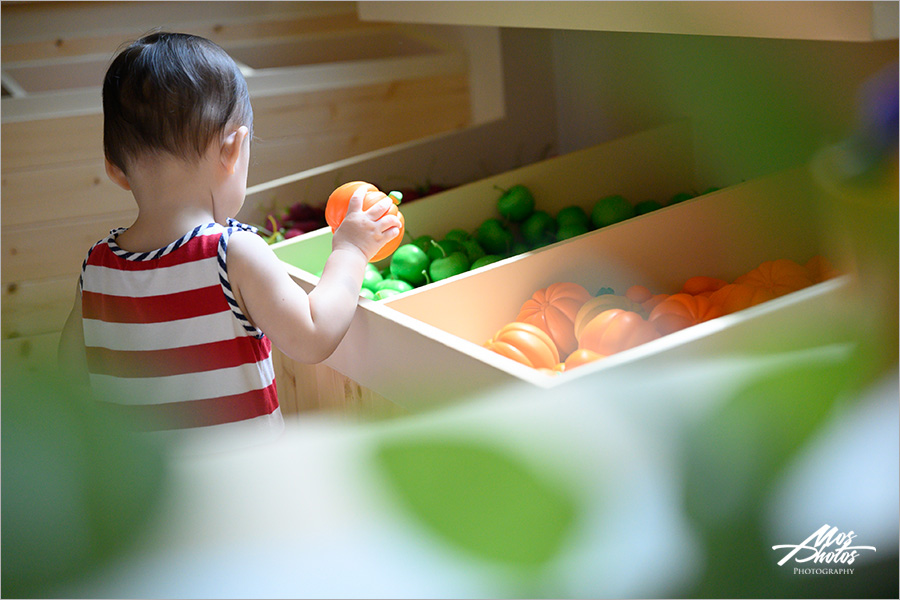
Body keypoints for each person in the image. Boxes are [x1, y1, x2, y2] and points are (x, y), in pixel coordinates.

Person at [57, 32, 401, 451]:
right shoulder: (229, 252)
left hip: (141, 504)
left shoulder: (97, 267)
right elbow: (313, 335)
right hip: (242, 495)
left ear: (115, 168)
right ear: (233, 149)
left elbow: (72, 378)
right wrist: (350, 251)